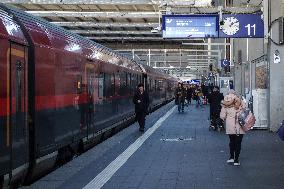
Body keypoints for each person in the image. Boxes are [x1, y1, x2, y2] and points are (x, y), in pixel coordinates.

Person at [220, 90, 246, 166]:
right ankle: (236, 160)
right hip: (240, 125)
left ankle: (231, 157)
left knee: (232, 141)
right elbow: (245, 109)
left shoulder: (225, 103)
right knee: (238, 143)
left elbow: (222, 116)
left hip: (230, 125)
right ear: (235, 94)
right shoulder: (240, 101)